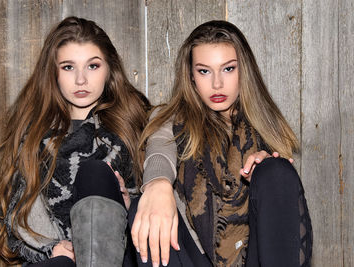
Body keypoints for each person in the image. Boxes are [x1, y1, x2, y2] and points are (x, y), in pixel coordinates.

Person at [130, 20, 312, 267]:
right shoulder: (170, 120)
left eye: (228, 69)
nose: (217, 84)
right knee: (146, 206)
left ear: (244, 71)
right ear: (191, 77)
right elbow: (159, 150)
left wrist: (269, 166)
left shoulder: (262, 129)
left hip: (254, 259)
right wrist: (158, 184)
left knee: (276, 172)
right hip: (194, 258)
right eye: (204, 71)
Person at [0, 16, 150, 267]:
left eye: (93, 66)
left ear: (109, 69)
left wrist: (132, 205)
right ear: (53, 73)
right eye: (68, 67)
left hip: (125, 253)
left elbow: (165, 201)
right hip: (57, 258)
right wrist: (51, 248)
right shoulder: (31, 136)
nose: (81, 80)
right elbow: (15, 218)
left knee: (94, 173)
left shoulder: (136, 124)